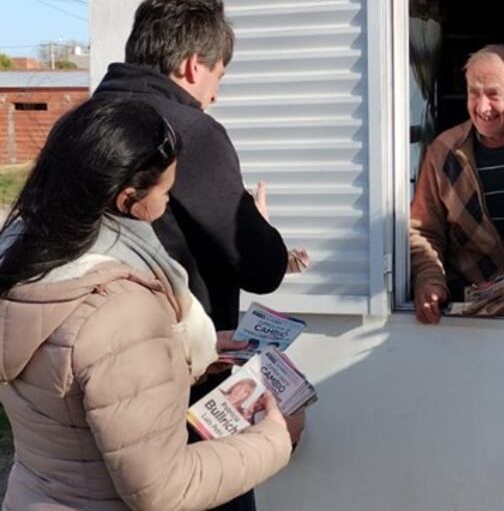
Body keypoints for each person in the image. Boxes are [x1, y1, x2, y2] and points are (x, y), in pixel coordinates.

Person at [0, 98, 293, 510]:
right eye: (166, 191)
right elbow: (163, 488)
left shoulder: (24, 262)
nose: (168, 204)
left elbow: (79, 383)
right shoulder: (120, 310)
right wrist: (272, 438)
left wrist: (175, 356)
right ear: (127, 200)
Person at [93, 0, 306, 511]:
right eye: (219, 77)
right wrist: (257, 226)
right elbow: (258, 266)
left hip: (90, 378)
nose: (214, 94)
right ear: (193, 65)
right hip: (184, 385)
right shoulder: (188, 130)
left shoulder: (80, 125)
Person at [410, 44, 504, 323]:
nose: (482, 107)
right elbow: (424, 231)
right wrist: (429, 279)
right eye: (474, 93)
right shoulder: (443, 151)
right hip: (464, 321)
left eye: (493, 94)